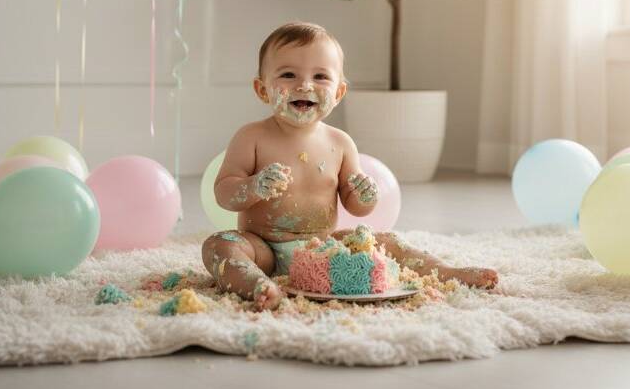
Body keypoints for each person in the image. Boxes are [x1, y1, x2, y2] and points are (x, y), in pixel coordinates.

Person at [203, 22, 498, 310]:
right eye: (289, 74)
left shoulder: (340, 143)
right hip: (262, 248)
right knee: (221, 245)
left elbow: (356, 207)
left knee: (386, 241)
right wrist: (253, 186)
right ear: (263, 89)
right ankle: (257, 284)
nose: (304, 85)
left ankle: (445, 272)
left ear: (339, 92)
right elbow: (224, 193)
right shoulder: (251, 136)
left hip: (322, 248)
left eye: (320, 76)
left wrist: (364, 195)